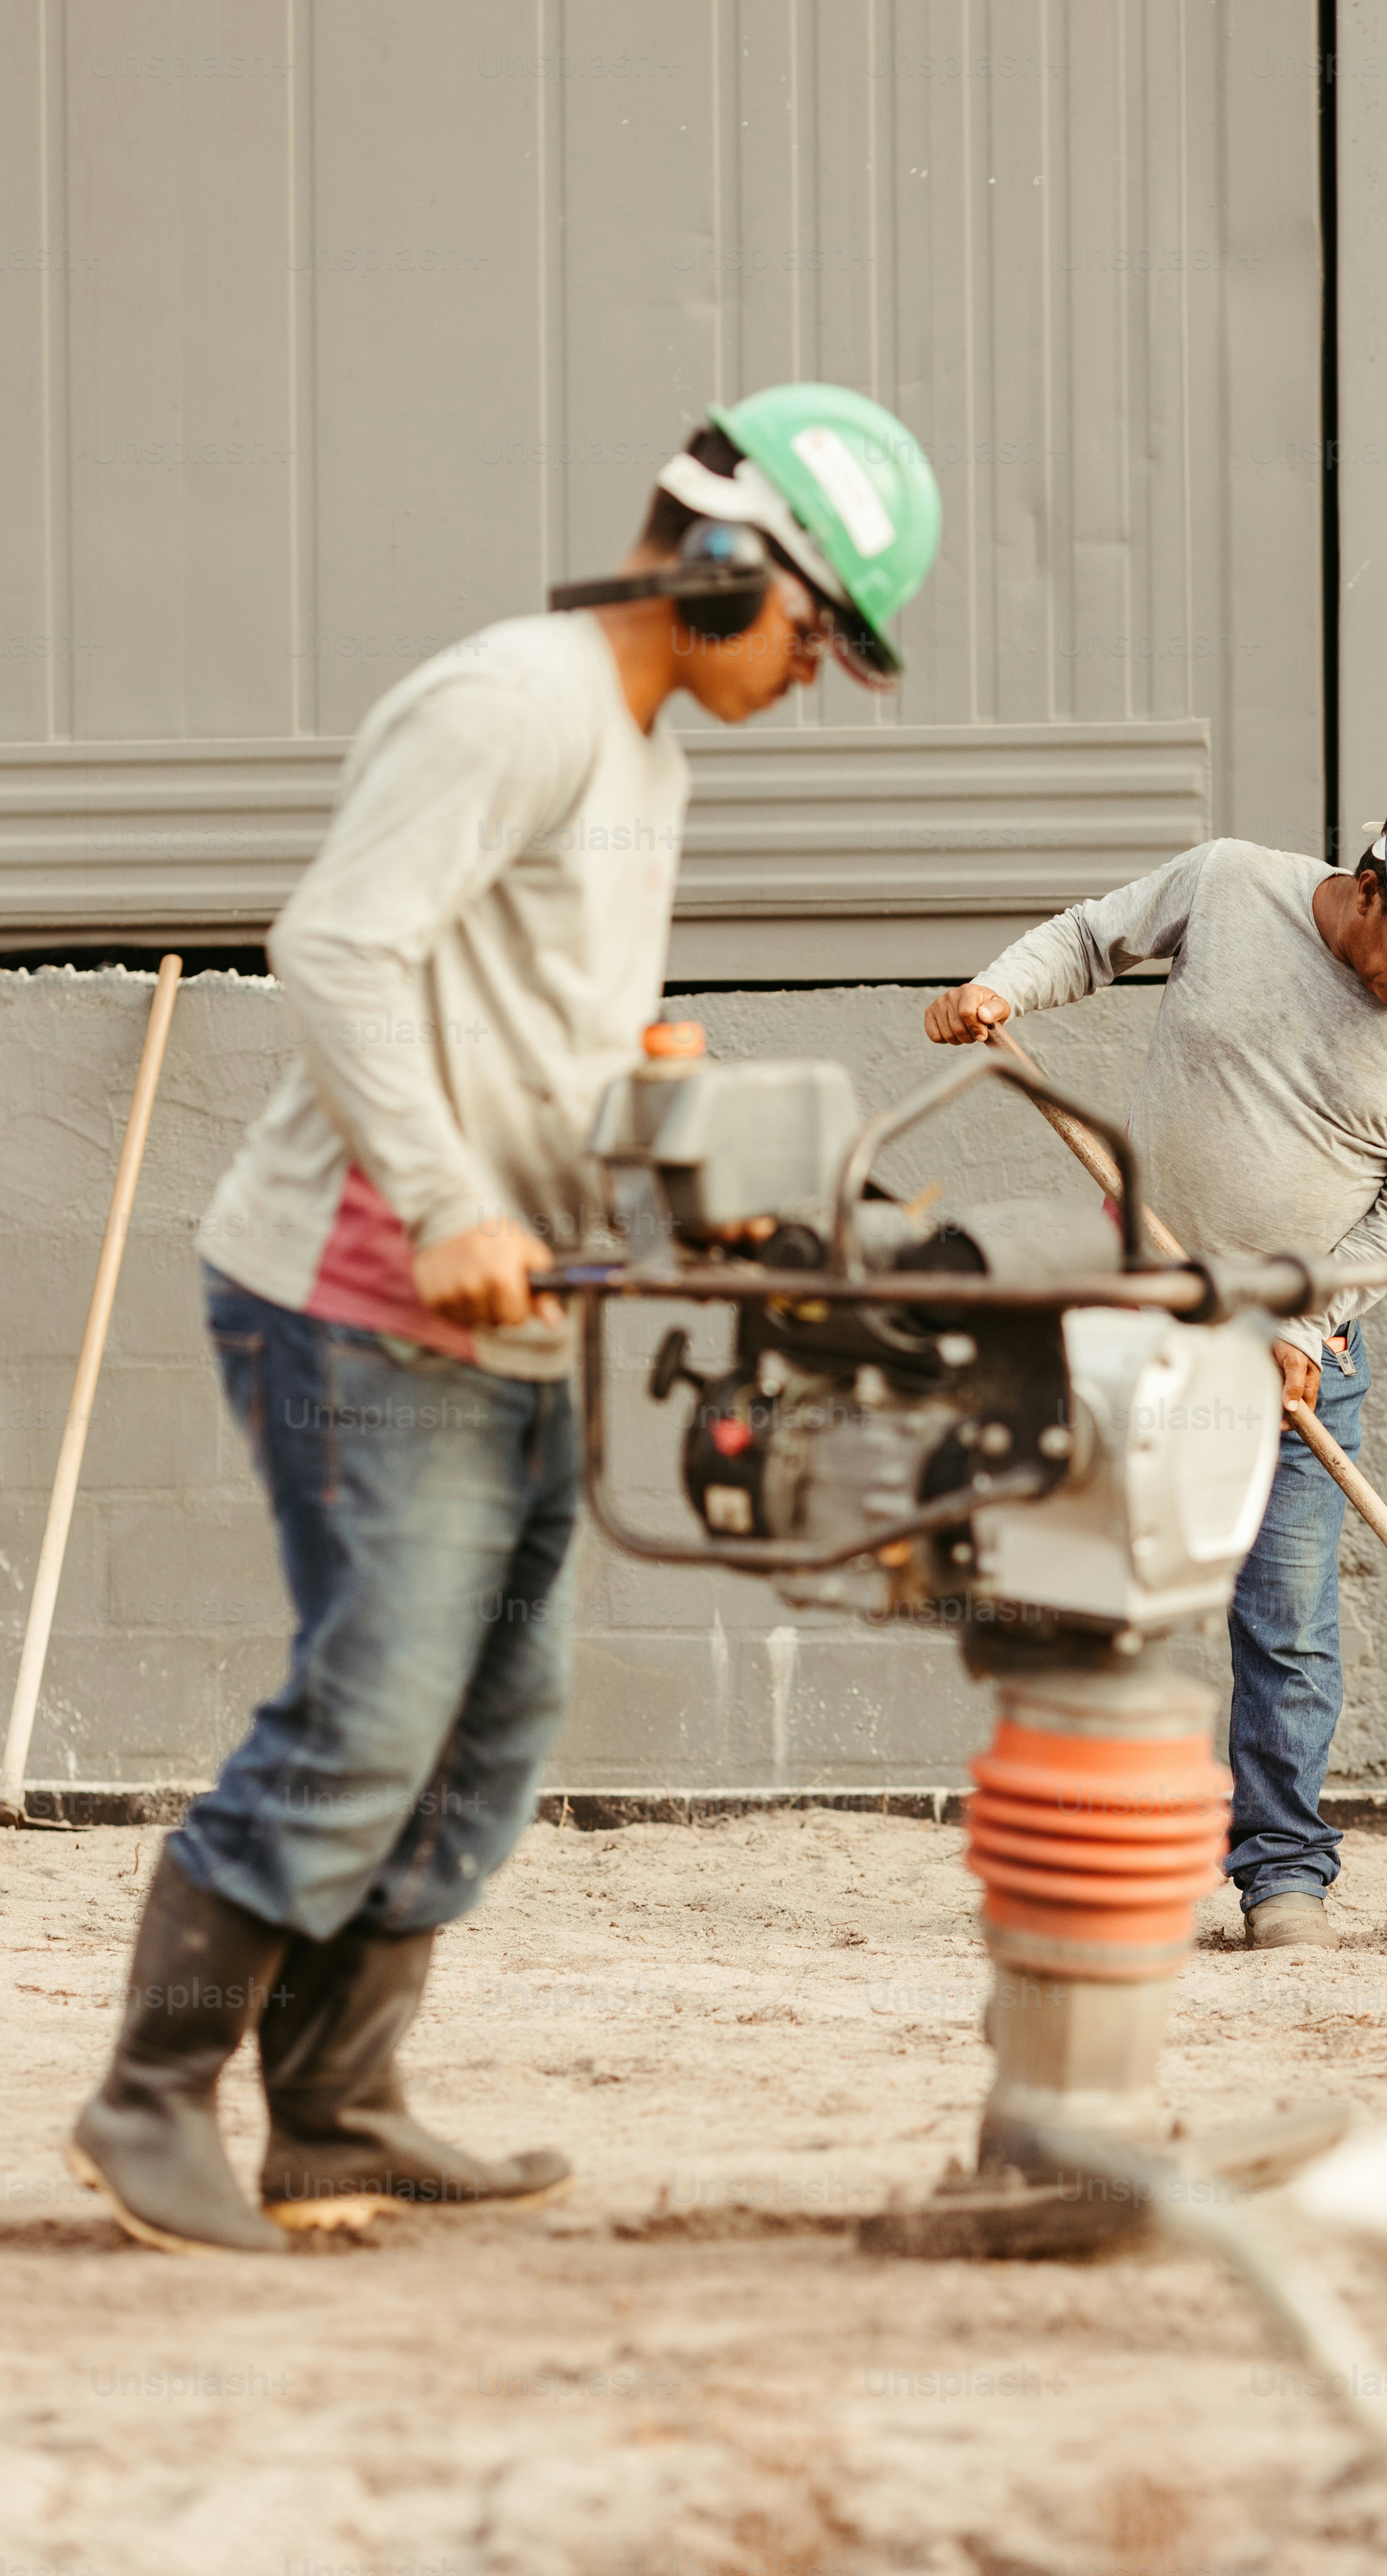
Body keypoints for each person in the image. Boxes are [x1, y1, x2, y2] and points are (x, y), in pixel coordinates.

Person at [69, 385, 942, 2253]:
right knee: (378, 1703)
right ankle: (151, 2099)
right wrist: (452, 1195)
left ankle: (338, 2106)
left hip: (530, 1307)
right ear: (724, 570)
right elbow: (337, 946)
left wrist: (646, 1074)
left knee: (493, 1720)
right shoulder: (512, 705)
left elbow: (516, 993)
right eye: (818, 632)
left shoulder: (647, 755)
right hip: (363, 1296)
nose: (813, 677)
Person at [925, 789, 1387, 1950]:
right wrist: (1000, 987)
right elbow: (1087, 938)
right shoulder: (1226, 884)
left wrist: (1299, 1333)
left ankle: (1281, 1877)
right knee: (1091, 1586)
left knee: (1287, 1624)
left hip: (1293, 1352)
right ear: (1368, 890)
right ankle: (1086, 1861)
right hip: (1139, 1308)